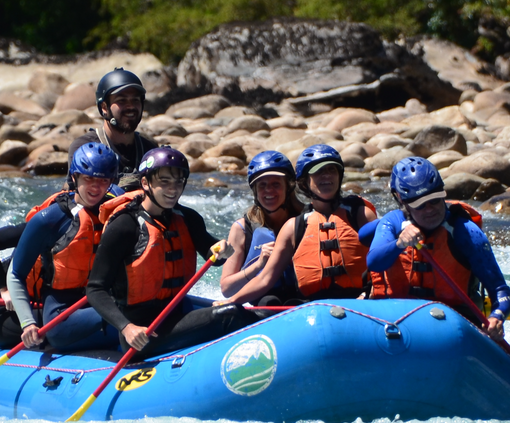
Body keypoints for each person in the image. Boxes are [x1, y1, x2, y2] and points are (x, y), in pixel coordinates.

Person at [86, 147, 253, 355]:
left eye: (178, 182)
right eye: (164, 181)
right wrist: (126, 327)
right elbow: (95, 289)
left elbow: (213, 255)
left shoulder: (188, 218)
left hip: (178, 313)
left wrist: (223, 250)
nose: (173, 189)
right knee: (230, 315)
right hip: (143, 332)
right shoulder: (124, 225)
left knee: (250, 311)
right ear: (146, 183)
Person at [366, 156, 510, 340]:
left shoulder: (465, 231)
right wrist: (399, 244)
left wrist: (497, 317)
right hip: (398, 322)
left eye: (435, 200)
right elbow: (374, 262)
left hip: (451, 326)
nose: (429, 209)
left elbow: (500, 290)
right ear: (403, 202)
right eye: (419, 204)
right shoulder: (393, 222)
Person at [5, 142, 123, 352]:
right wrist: (27, 322)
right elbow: (15, 274)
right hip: (63, 307)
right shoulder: (50, 219)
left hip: (102, 296)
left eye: (103, 180)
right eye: (89, 179)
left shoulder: (119, 209)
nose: (96, 187)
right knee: (59, 333)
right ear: (75, 178)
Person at [231, 144, 378, 306]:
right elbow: (265, 278)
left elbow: (385, 260)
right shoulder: (294, 227)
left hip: (360, 302)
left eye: (331, 170)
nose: (326, 176)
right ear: (304, 182)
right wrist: (231, 302)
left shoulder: (360, 214)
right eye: (318, 172)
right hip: (313, 308)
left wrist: (369, 292)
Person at [220, 150, 303, 301]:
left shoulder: (307, 220)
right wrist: (259, 265)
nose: (269, 190)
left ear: (288, 187)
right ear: (255, 191)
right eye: (262, 185)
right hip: (262, 304)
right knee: (270, 300)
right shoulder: (242, 228)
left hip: (301, 301)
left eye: (275, 184)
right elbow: (226, 289)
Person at [68, 67, 157, 191]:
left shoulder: (150, 149)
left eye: (135, 100)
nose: (130, 106)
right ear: (104, 107)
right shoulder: (84, 148)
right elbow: (75, 197)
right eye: (122, 100)